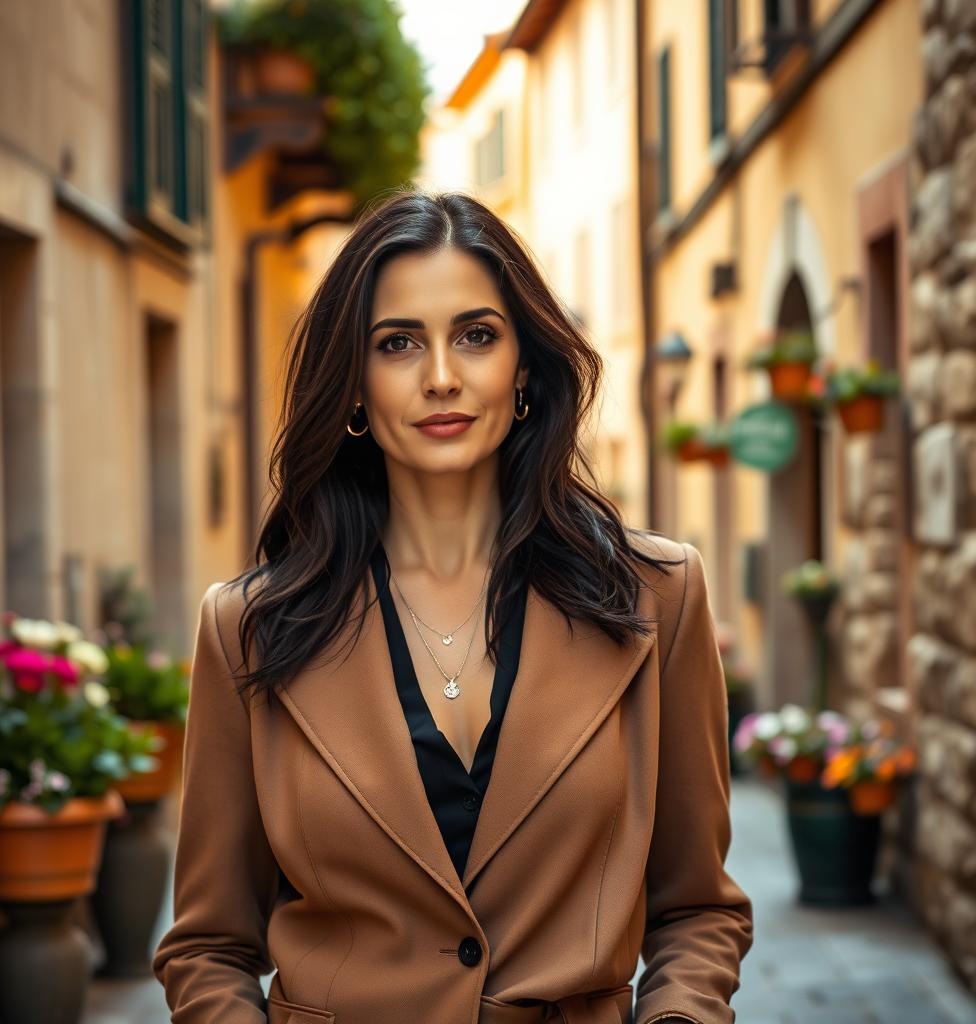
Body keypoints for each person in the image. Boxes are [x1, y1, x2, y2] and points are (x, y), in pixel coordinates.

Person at [152, 189, 753, 1024]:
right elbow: (209, 947)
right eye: (397, 344)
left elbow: (698, 909)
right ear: (354, 386)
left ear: (524, 372)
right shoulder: (249, 630)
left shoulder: (655, 596)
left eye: (476, 335)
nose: (441, 377)